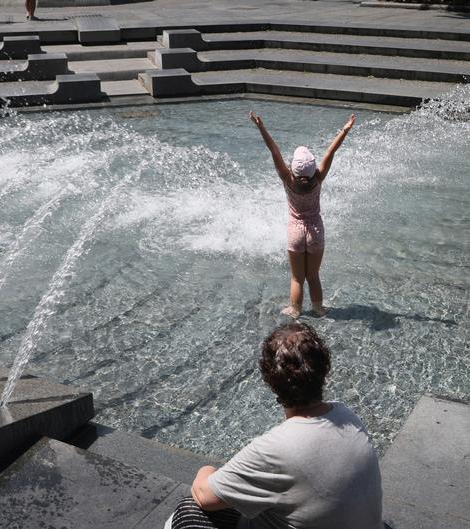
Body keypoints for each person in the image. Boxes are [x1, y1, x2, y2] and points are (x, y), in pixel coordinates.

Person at [166, 323, 384, 529]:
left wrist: (207, 470)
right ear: (324, 369)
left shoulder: (275, 447)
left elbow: (204, 496)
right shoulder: (347, 415)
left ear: (269, 380)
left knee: (188, 512)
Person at [249, 111, 355, 319]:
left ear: (293, 169)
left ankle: (295, 310)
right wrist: (345, 129)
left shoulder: (288, 179)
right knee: (313, 276)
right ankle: (318, 308)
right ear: (313, 168)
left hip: (295, 232)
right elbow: (331, 152)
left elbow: (274, 151)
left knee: (297, 278)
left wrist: (261, 127)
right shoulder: (318, 178)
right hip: (315, 231)